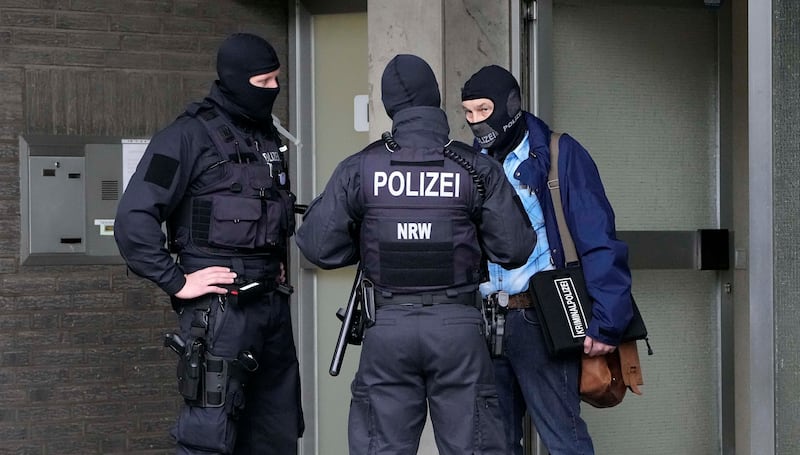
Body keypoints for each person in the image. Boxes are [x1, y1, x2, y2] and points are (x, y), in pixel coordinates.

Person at [295, 54, 536, 455]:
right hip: (458, 328)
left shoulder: (362, 167)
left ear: (391, 107)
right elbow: (515, 249)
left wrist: (371, 237)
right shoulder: (473, 166)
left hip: (386, 327)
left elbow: (317, 245)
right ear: (436, 99)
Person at [114, 33, 303, 455]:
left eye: (277, 80)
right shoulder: (185, 137)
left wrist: (272, 261)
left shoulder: (265, 137)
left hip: (270, 305)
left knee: (276, 432)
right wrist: (177, 281)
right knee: (210, 436)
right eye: (264, 82)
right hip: (220, 311)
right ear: (237, 80)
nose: (274, 90)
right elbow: (132, 219)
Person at [460, 65, 633, 455]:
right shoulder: (470, 162)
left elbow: (598, 239)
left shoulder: (560, 153)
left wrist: (607, 324)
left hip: (542, 319)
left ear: (511, 106)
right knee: (492, 444)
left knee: (563, 439)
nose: (475, 122)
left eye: (483, 110)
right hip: (485, 321)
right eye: (468, 113)